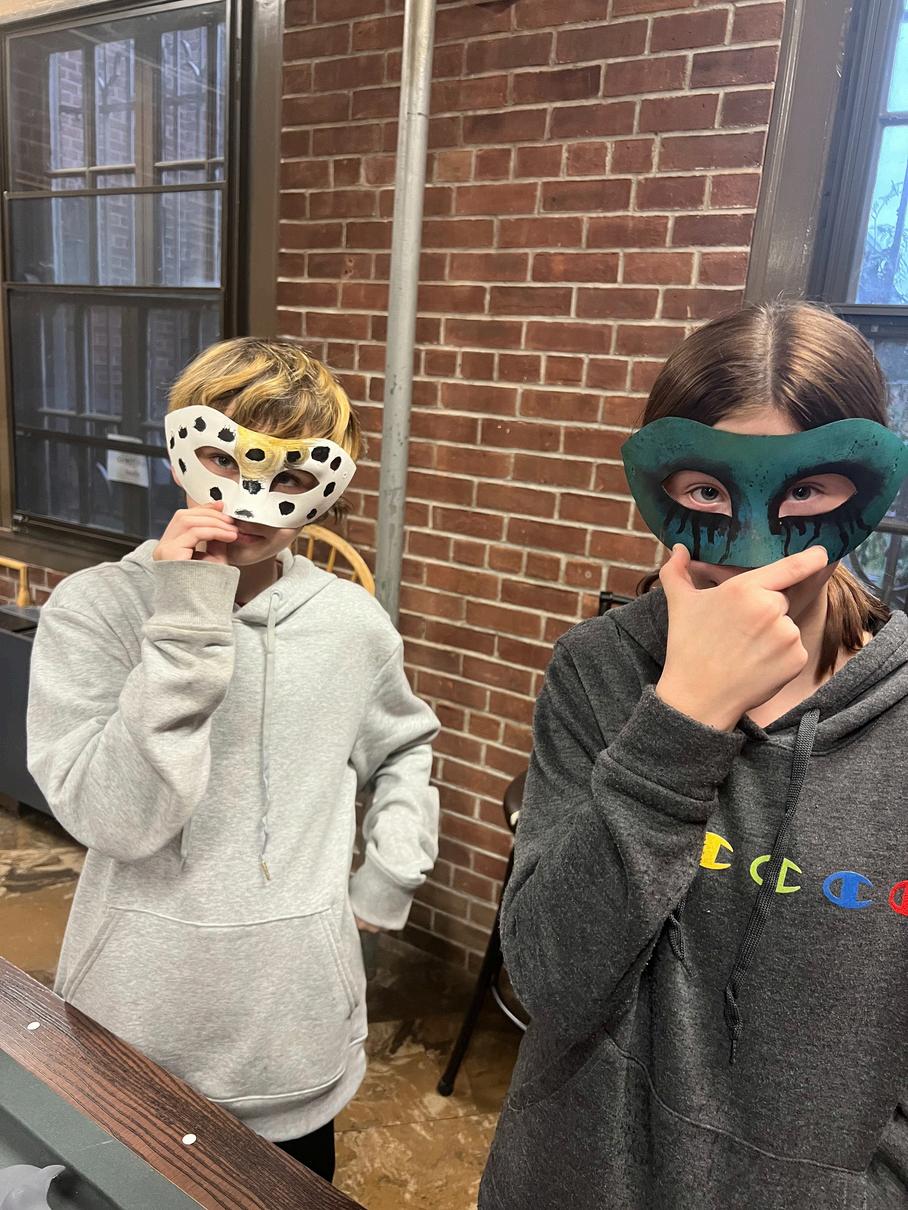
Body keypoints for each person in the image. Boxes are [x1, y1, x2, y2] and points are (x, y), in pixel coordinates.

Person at [479, 302, 908, 1208]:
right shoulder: (599, 673)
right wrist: (685, 716)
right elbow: (548, 978)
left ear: (865, 490)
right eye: (708, 493)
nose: (751, 551)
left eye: (805, 493)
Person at [27, 338, 440, 1184]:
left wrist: (388, 877)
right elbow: (114, 819)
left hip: (293, 1031)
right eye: (223, 458)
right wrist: (186, 622)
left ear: (326, 489)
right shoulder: (94, 610)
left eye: (291, 475)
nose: (251, 497)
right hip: (129, 1025)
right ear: (181, 452)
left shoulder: (352, 625)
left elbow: (405, 743)